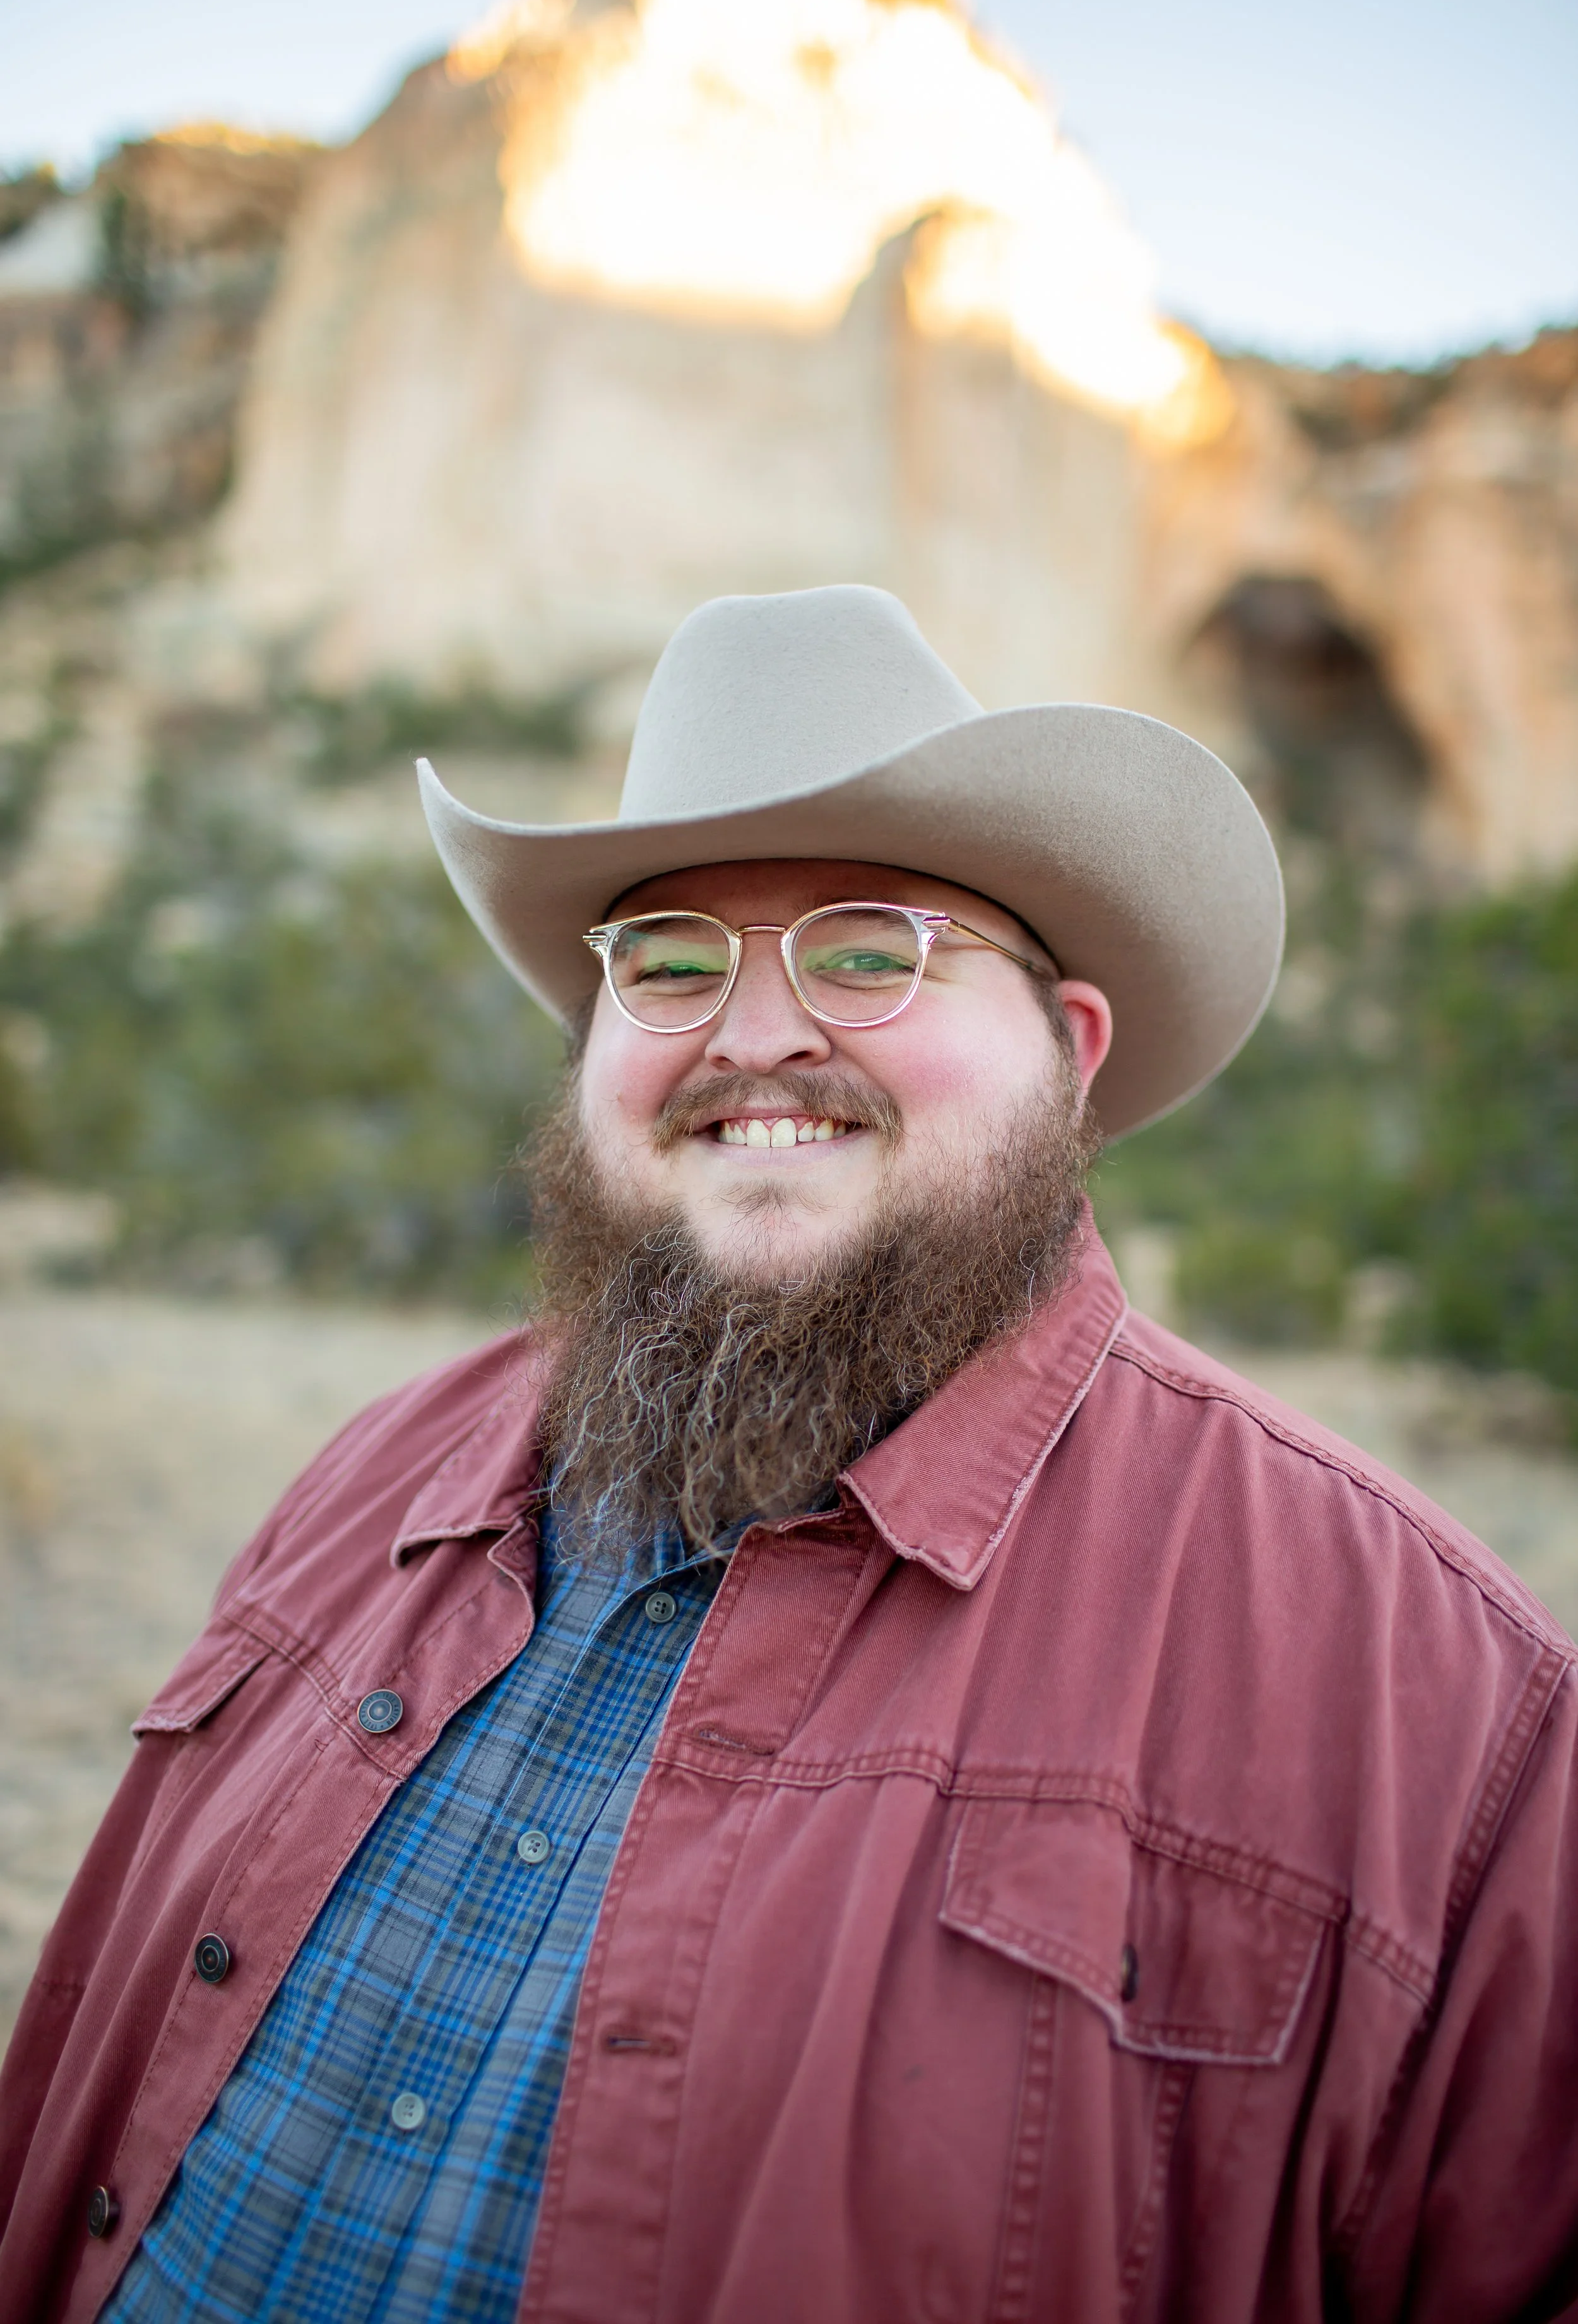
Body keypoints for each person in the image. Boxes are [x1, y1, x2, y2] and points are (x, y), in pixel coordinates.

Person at [1, 586, 1574, 2324]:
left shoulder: (1439, 1707)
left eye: (870, 945)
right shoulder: (372, 1471)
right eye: (667, 958)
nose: (753, 1032)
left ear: (1069, 1049)